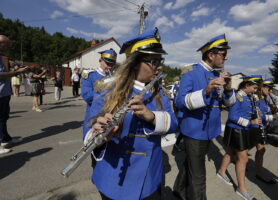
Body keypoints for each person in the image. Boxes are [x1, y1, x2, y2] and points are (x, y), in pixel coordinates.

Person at [84, 28, 178, 200]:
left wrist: (151, 116)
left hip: (149, 179)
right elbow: (88, 128)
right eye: (153, 61)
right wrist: (98, 134)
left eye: (160, 60)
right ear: (134, 63)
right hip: (113, 179)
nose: (159, 66)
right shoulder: (107, 90)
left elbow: (173, 123)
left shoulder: (159, 92)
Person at [173, 34, 235, 200]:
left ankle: (178, 190)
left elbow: (228, 104)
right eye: (222, 54)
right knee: (198, 176)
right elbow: (179, 101)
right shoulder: (191, 72)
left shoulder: (217, 74)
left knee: (191, 165)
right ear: (211, 55)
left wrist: (229, 89)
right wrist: (206, 91)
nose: (226, 57)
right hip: (194, 131)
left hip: (210, 131)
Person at [217, 75, 263, 200]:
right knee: (243, 159)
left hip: (242, 130)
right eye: (254, 87)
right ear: (247, 85)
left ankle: (221, 171)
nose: (255, 90)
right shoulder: (238, 97)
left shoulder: (248, 97)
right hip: (236, 130)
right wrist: (250, 123)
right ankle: (241, 189)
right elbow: (232, 116)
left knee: (231, 151)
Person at [0, 35, 29, 154]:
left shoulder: (1, 57)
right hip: (0, 93)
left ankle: (5, 139)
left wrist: (15, 70)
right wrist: (17, 72)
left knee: (4, 117)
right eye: (7, 45)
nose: (9, 47)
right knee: (0, 119)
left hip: (4, 92)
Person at [81, 49, 117, 135]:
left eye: (112, 64)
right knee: (91, 140)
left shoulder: (115, 77)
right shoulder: (90, 75)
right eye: (107, 63)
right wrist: (108, 95)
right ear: (100, 61)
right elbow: (87, 96)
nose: (110, 67)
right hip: (94, 115)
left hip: (111, 115)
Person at [254, 78, 278, 184]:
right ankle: (259, 173)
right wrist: (274, 116)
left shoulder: (265, 98)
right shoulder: (256, 99)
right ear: (262, 87)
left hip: (263, 127)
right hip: (255, 128)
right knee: (260, 149)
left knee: (249, 149)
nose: (270, 91)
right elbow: (258, 116)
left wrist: (274, 108)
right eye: (268, 88)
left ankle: (235, 158)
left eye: (271, 88)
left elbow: (268, 111)